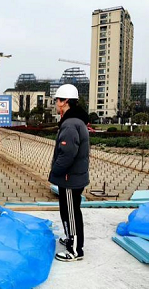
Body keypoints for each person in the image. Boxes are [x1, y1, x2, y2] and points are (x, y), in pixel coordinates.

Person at [48, 84, 90, 262]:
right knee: (66, 211)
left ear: (65, 102)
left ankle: (75, 250)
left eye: (57, 100)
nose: (56, 104)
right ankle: (70, 238)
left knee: (71, 213)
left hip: (69, 178)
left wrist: (55, 171)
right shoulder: (74, 122)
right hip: (70, 177)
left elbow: (67, 154)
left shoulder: (71, 125)